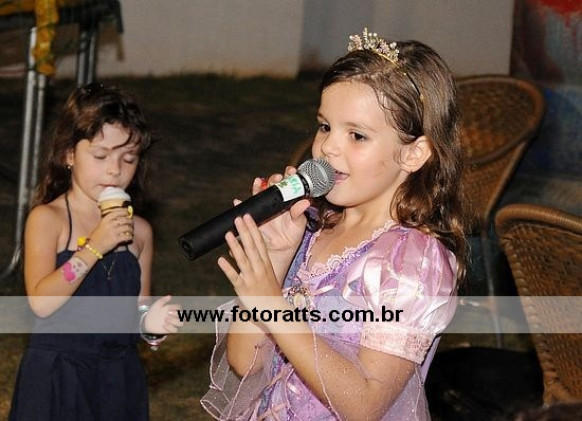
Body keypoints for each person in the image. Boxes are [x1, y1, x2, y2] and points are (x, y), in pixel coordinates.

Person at [201, 28, 468, 420]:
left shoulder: (412, 260)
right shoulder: (315, 227)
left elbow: (364, 404)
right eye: (325, 126)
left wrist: (274, 307)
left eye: (356, 135)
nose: (328, 147)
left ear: (414, 154)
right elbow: (246, 364)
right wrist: (276, 257)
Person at [9, 83, 183, 421]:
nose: (115, 170)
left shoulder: (140, 232)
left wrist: (150, 324)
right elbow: (41, 303)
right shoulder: (49, 220)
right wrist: (95, 246)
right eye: (100, 156)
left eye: (128, 158)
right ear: (69, 155)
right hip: (59, 376)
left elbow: (137, 309)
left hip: (117, 378)